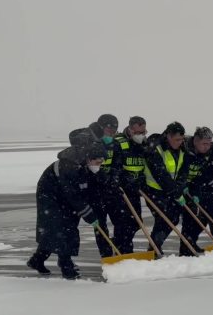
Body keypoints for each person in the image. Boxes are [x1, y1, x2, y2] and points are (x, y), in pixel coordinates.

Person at [26, 142, 105, 280]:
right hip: (50, 197)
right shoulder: (69, 167)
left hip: (64, 196)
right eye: (97, 162)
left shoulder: (84, 166)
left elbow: (88, 190)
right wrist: (89, 215)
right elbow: (73, 194)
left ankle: (37, 260)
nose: (99, 165)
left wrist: (94, 209)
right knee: (64, 230)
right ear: (89, 158)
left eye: (101, 162)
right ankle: (65, 265)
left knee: (57, 230)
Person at [142, 122, 189, 252]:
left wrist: (180, 186)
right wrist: (175, 192)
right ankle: (154, 249)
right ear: (168, 136)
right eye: (177, 140)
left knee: (173, 219)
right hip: (154, 189)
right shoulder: (156, 148)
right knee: (163, 217)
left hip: (171, 189)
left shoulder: (183, 147)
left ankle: (154, 247)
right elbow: (160, 174)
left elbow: (184, 170)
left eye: (181, 139)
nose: (179, 142)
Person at [179, 126, 213, 256]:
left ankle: (192, 243)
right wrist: (182, 186)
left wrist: (196, 192)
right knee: (189, 217)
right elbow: (179, 171)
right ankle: (185, 249)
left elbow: (200, 175)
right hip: (179, 188)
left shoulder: (206, 155)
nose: (207, 147)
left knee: (207, 212)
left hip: (193, 188)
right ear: (195, 141)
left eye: (209, 144)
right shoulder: (185, 151)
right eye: (204, 143)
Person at [108, 116, 148, 254]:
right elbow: (114, 168)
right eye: (137, 133)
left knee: (136, 222)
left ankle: (120, 243)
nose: (141, 136)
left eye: (143, 132)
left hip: (135, 190)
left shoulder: (144, 144)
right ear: (130, 130)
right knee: (123, 223)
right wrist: (122, 181)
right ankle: (124, 251)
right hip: (121, 191)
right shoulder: (119, 143)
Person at [85, 114, 120, 258]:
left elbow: (118, 165)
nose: (112, 134)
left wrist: (114, 179)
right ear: (101, 127)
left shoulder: (115, 144)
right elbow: (85, 168)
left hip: (110, 189)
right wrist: (100, 179)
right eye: (109, 130)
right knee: (100, 226)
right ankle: (106, 255)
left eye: (114, 131)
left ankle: (120, 250)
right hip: (94, 190)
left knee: (122, 221)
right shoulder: (88, 142)